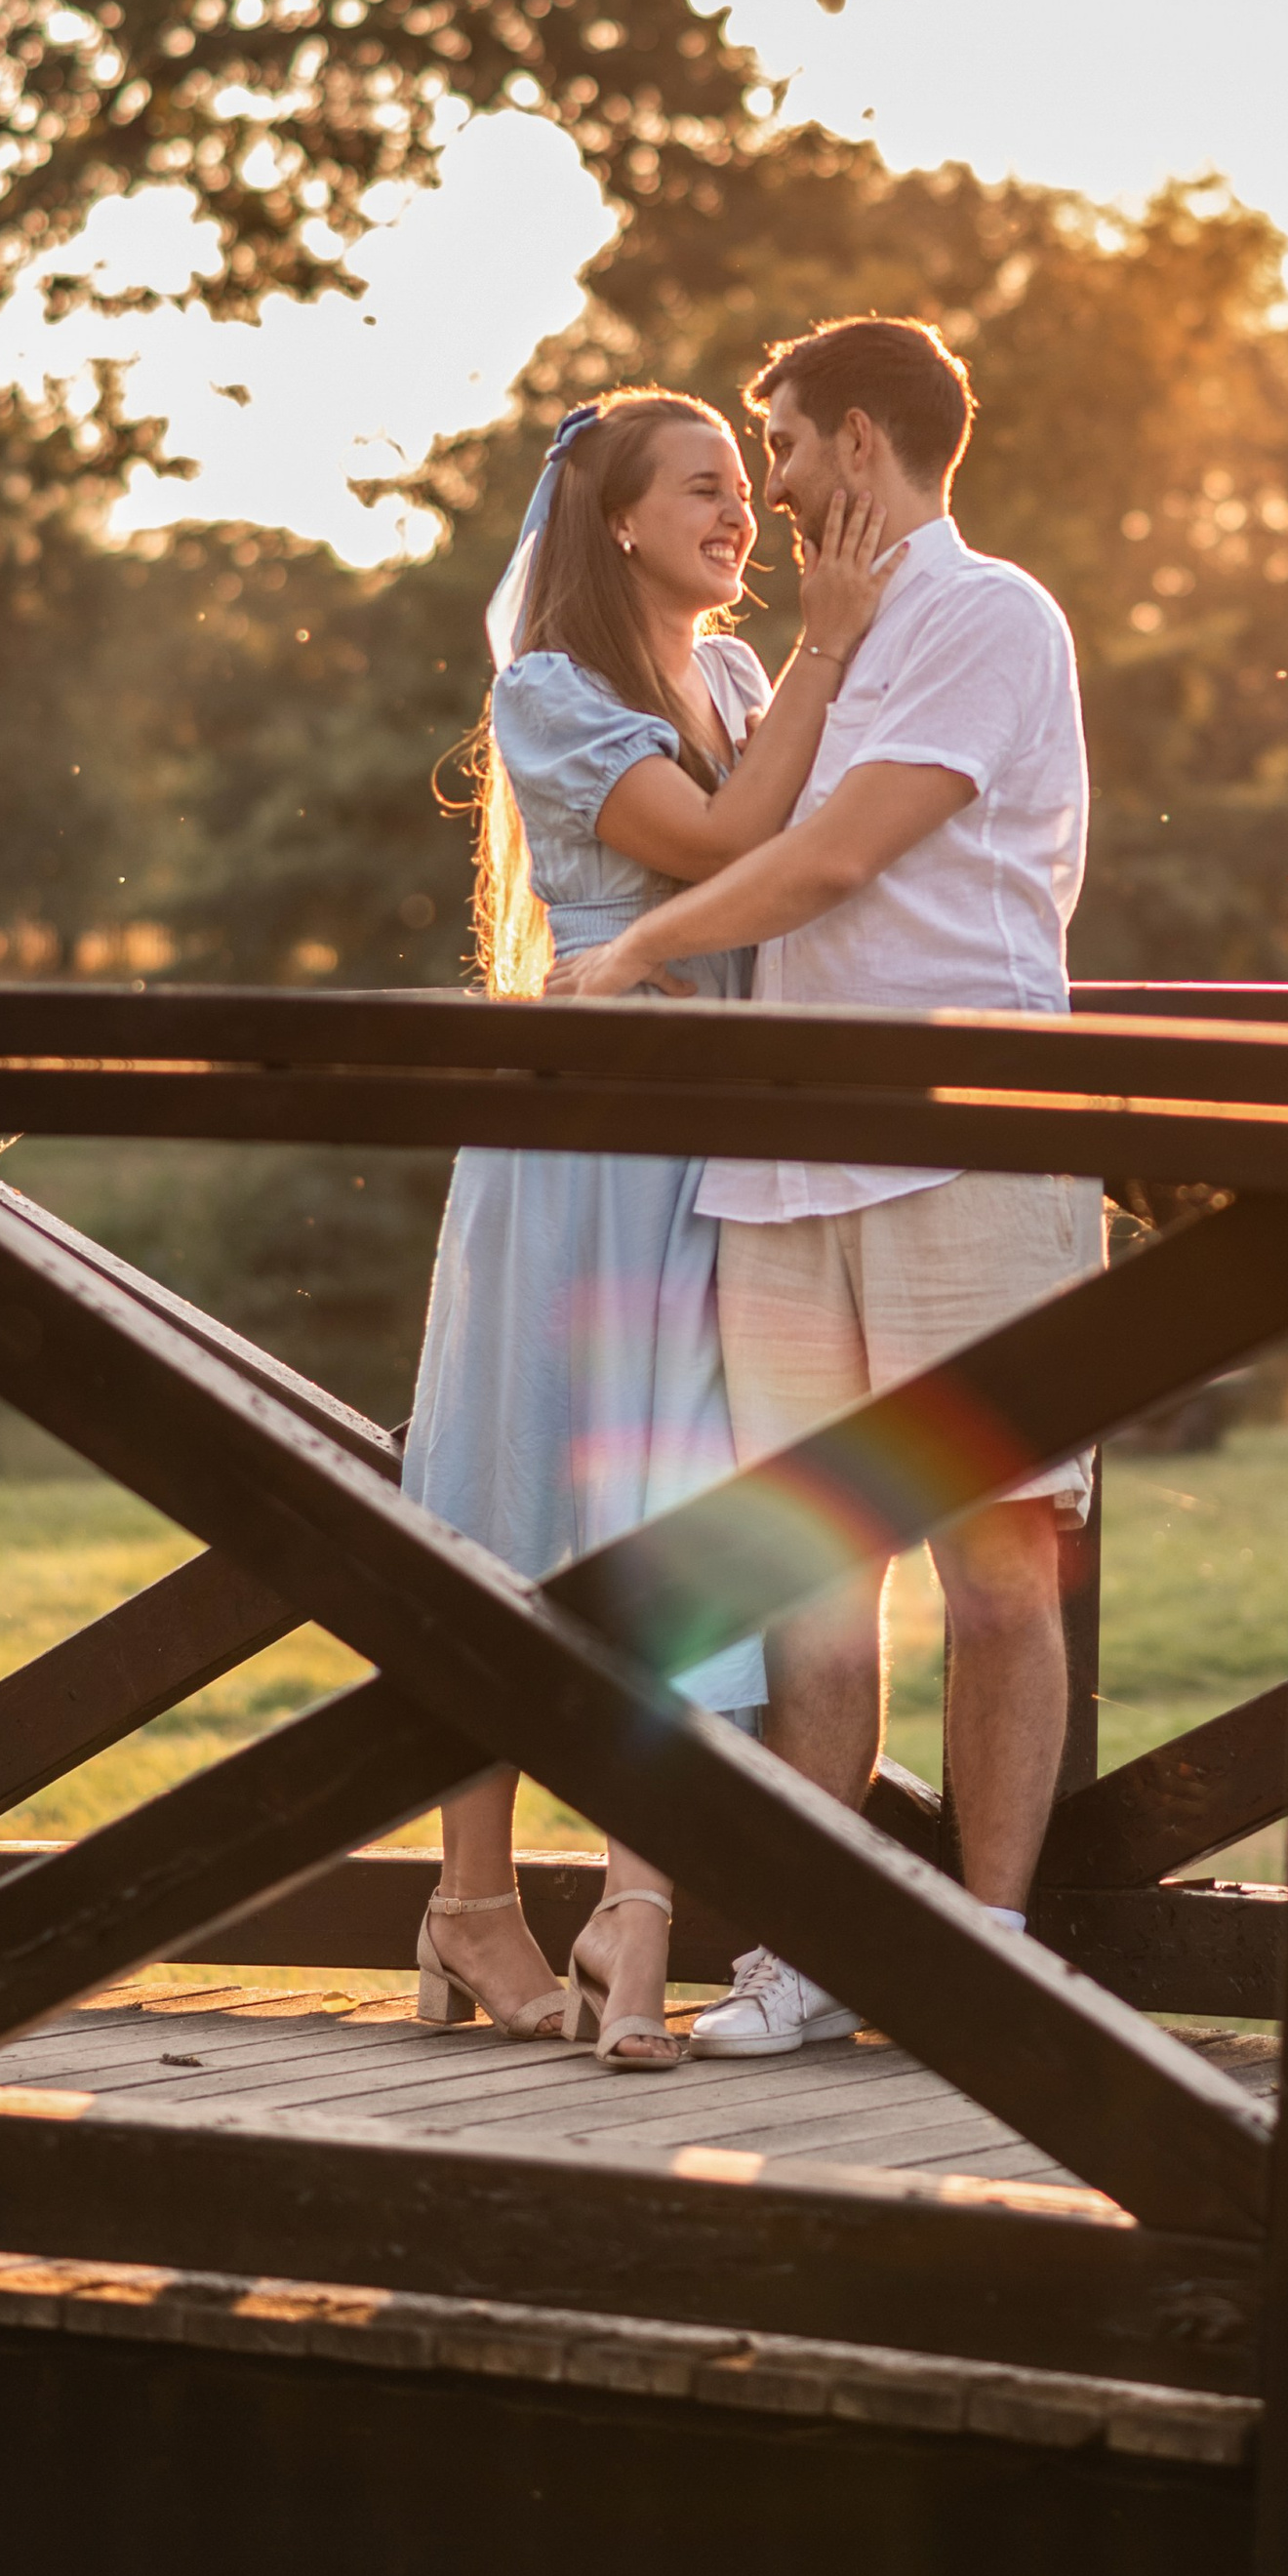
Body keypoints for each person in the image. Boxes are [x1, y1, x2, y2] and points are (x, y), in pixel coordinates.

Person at [548, 316, 1099, 2057]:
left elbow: (834, 858)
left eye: (780, 445)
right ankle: (818, 1949)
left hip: (964, 1153)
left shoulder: (986, 613)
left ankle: (993, 1942)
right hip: (783, 1174)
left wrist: (636, 950)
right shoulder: (822, 643)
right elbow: (758, 829)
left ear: (858, 443)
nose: (769, 487)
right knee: (812, 1583)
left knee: (1001, 1562)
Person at [399, 387, 896, 2071]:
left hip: (714, 1154)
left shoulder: (743, 679)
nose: (742, 511)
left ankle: (639, 1914)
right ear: (615, 519)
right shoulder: (549, 693)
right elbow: (719, 843)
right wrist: (829, 653)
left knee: (680, 1508)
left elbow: (808, 863)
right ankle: (472, 1899)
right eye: (706, 487)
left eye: (746, 488)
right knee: (515, 1484)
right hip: (582, 1149)